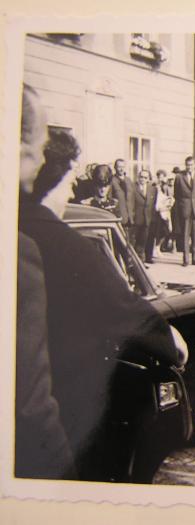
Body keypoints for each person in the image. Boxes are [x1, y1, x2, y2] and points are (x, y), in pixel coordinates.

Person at [19, 124, 183, 483]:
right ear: (59, 178)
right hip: (61, 422)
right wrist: (170, 341)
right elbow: (125, 312)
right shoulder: (66, 245)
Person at [15, 84, 76, 480]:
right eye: (37, 149)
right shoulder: (20, 252)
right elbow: (31, 410)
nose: (41, 162)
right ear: (20, 153)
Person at [173, 156, 195, 266]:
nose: (189, 167)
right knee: (185, 234)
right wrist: (182, 206)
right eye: (187, 165)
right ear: (185, 165)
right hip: (185, 208)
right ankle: (186, 259)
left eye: (191, 165)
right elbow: (176, 194)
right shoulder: (179, 177)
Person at [132, 169, 156, 262]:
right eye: (141, 177)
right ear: (138, 177)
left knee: (143, 242)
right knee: (134, 242)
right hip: (136, 219)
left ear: (148, 179)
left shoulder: (153, 189)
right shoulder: (134, 188)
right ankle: (135, 262)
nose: (143, 179)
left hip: (147, 219)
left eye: (145, 177)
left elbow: (153, 204)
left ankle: (141, 262)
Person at [112, 158, 135, 240]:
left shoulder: (129, 181)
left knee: (130, 242)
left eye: (123, 167)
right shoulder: (112, 181)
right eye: (119, 167)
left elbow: (133, 198)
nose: (121, 169)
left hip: (130, 217)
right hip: (119, 217)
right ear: (115, 167)